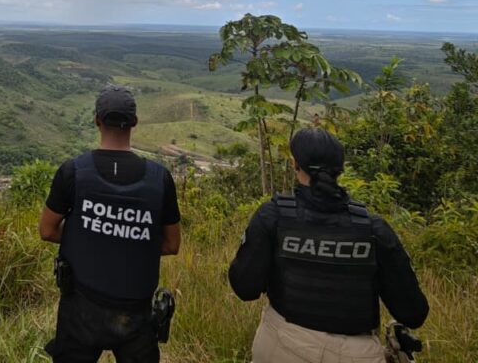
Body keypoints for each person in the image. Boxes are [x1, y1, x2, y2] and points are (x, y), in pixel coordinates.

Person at [228, 127, 429, 363]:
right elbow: (413, 313)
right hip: (357, 355)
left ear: (295, 164)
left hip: (282, 345)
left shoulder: (273, 216)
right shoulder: (373, 228)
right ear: (340, 169)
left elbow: (245, 288)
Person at [39, 84, 182, 363]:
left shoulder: (73, 171)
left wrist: (91, 235)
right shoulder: (159, 179)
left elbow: (47, 230)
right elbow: (171, 244)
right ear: (135, 122)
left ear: (96, 120)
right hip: (136, 311)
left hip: (81, 307)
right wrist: (127, 236)